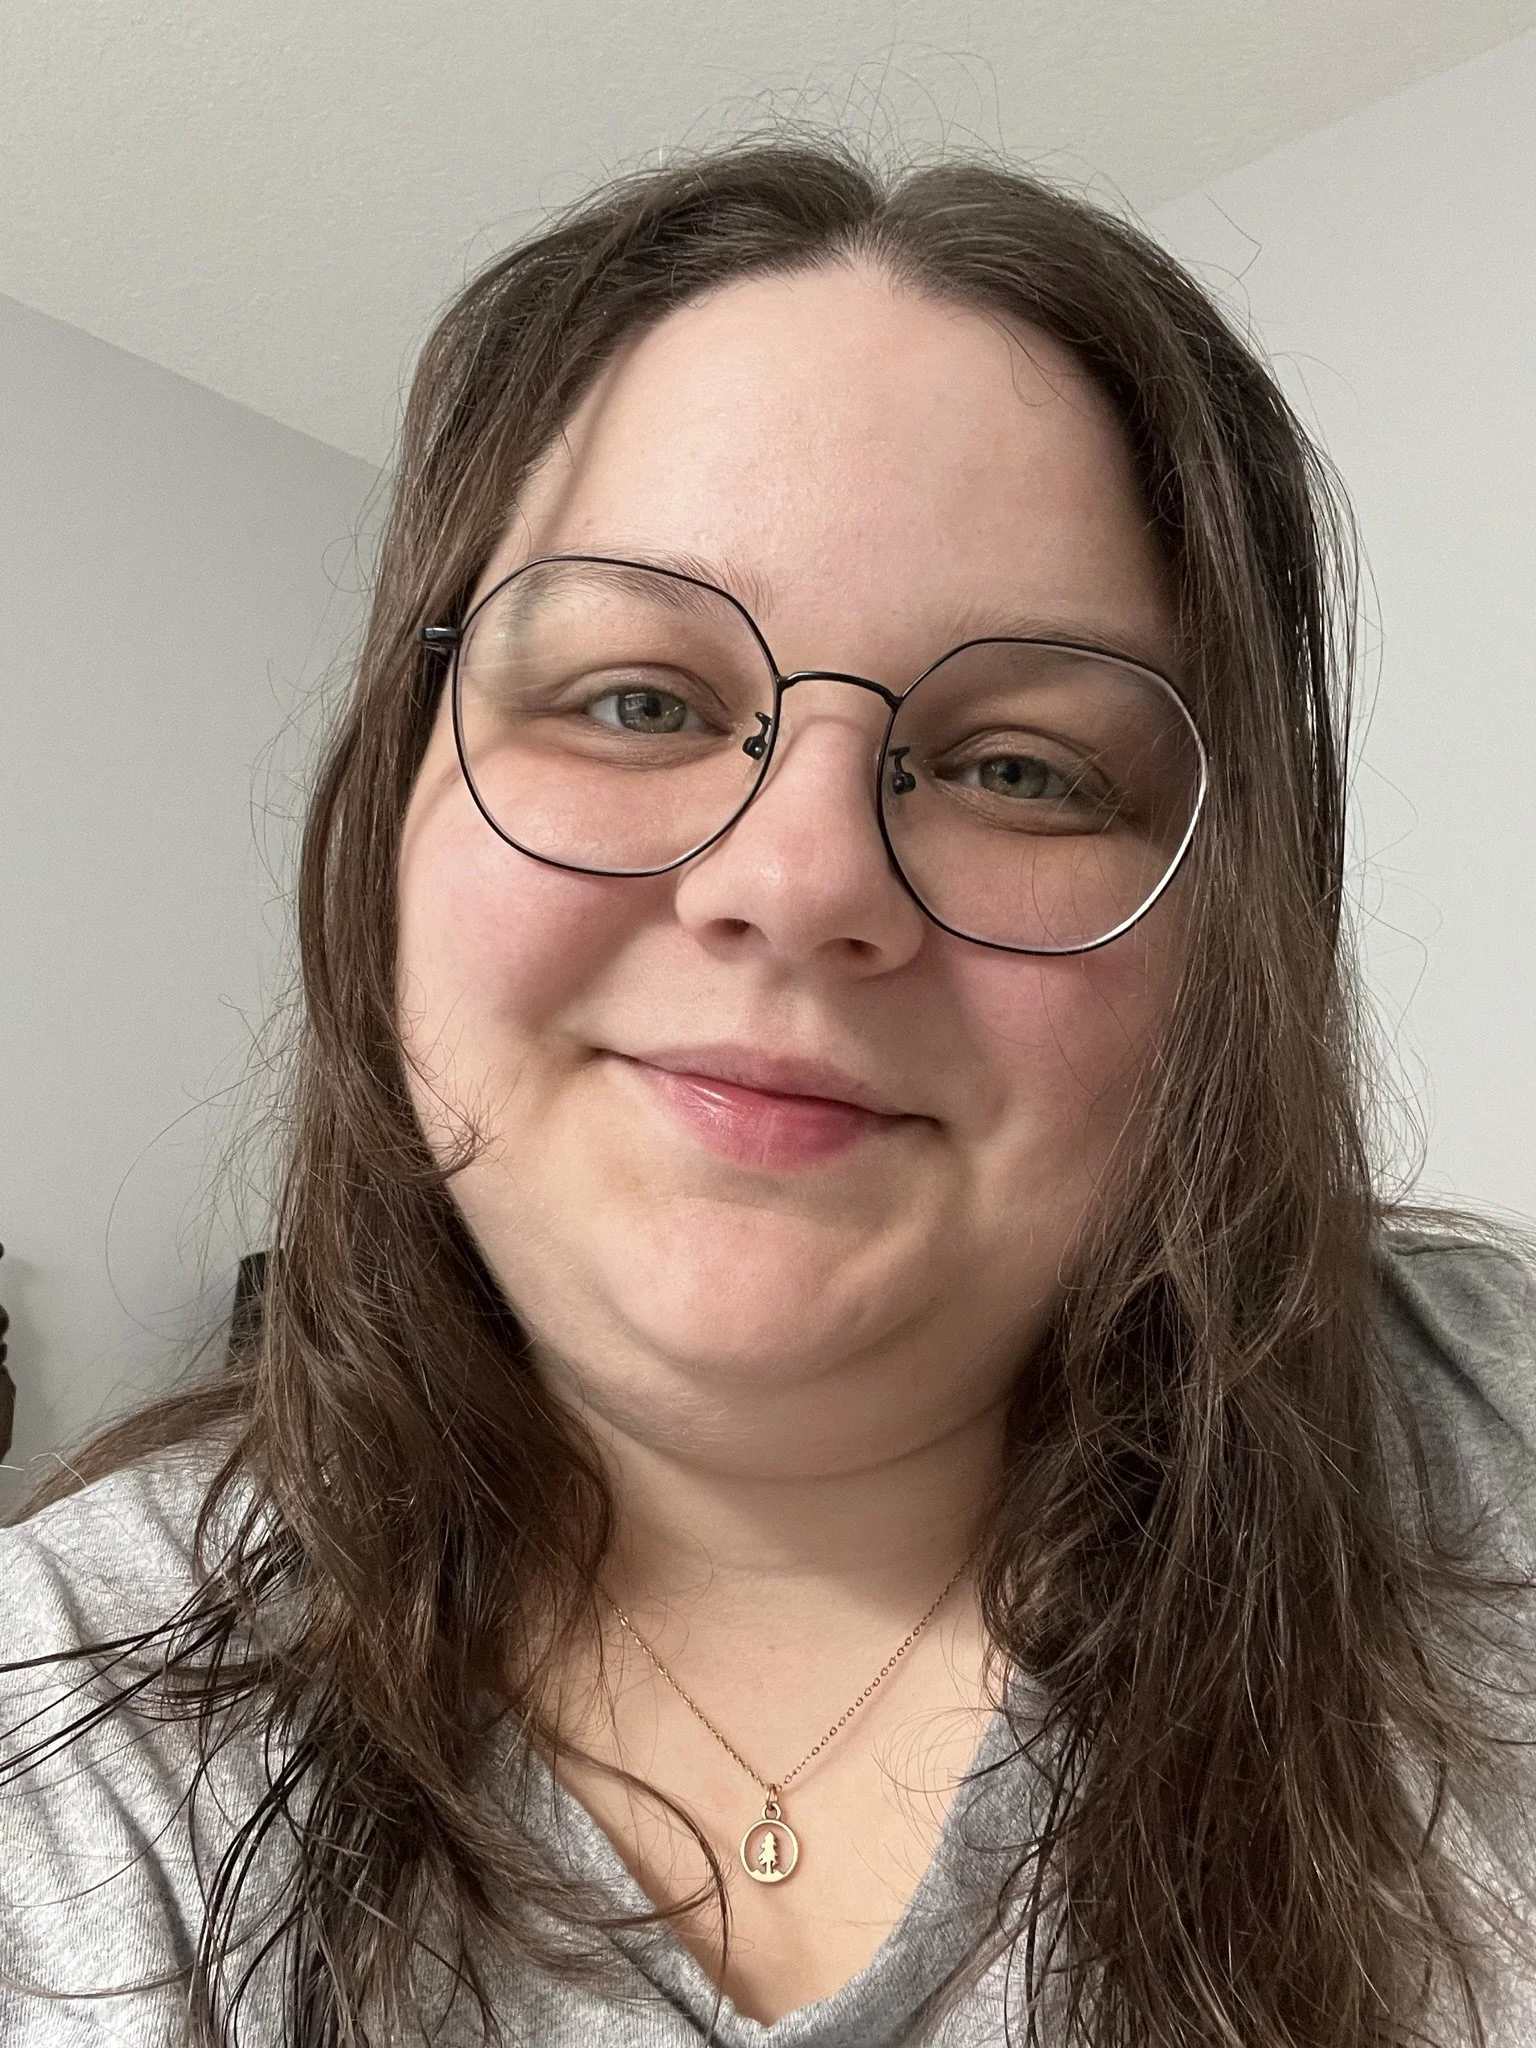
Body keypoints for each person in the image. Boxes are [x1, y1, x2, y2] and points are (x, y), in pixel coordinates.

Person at [3, 138, 1534, 2048]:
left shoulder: (1495, 1458)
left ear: (1232, 926)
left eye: (1028, 771)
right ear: (391, 807)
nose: (803, 884)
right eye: (638, 699)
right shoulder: (63, 1740)